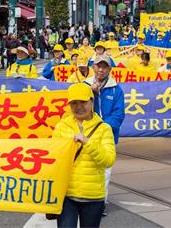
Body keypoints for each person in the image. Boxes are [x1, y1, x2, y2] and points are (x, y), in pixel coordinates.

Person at [53, 83, 115, 228]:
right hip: (66, 196)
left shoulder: (104, 129)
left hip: (93, 197)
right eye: (74, 103)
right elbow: (53, 160)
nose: (78, 106)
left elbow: (108, 160)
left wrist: (88, 143)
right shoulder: (61, 127)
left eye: (83, 102)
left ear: (92, 101)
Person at [84, 55, 125, 215]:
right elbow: (78, 108)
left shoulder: (116, 89)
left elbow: (119, 115)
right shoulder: (84, 85)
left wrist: (101, 128)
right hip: (86, 136)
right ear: (93, 67)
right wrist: (93, 94)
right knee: (86, 168)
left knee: (105, 171)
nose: (100, 70)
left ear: (109, 69)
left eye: (104, 67)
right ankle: (84, 200)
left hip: (107, 137)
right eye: (98, 66)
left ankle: (100, 204)